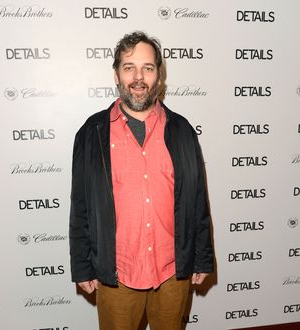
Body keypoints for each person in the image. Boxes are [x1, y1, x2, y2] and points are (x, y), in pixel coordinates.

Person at [69, 31, 214, 330]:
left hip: (172, 271)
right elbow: (80, 205)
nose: (138, 77)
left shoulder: (183, 130)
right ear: (116, 75)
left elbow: (197, 198)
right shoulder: (92, 132)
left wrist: (201, 257)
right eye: (129, 67)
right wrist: (82, 265)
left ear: (159, 76)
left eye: (148, 68)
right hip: (118, 273)